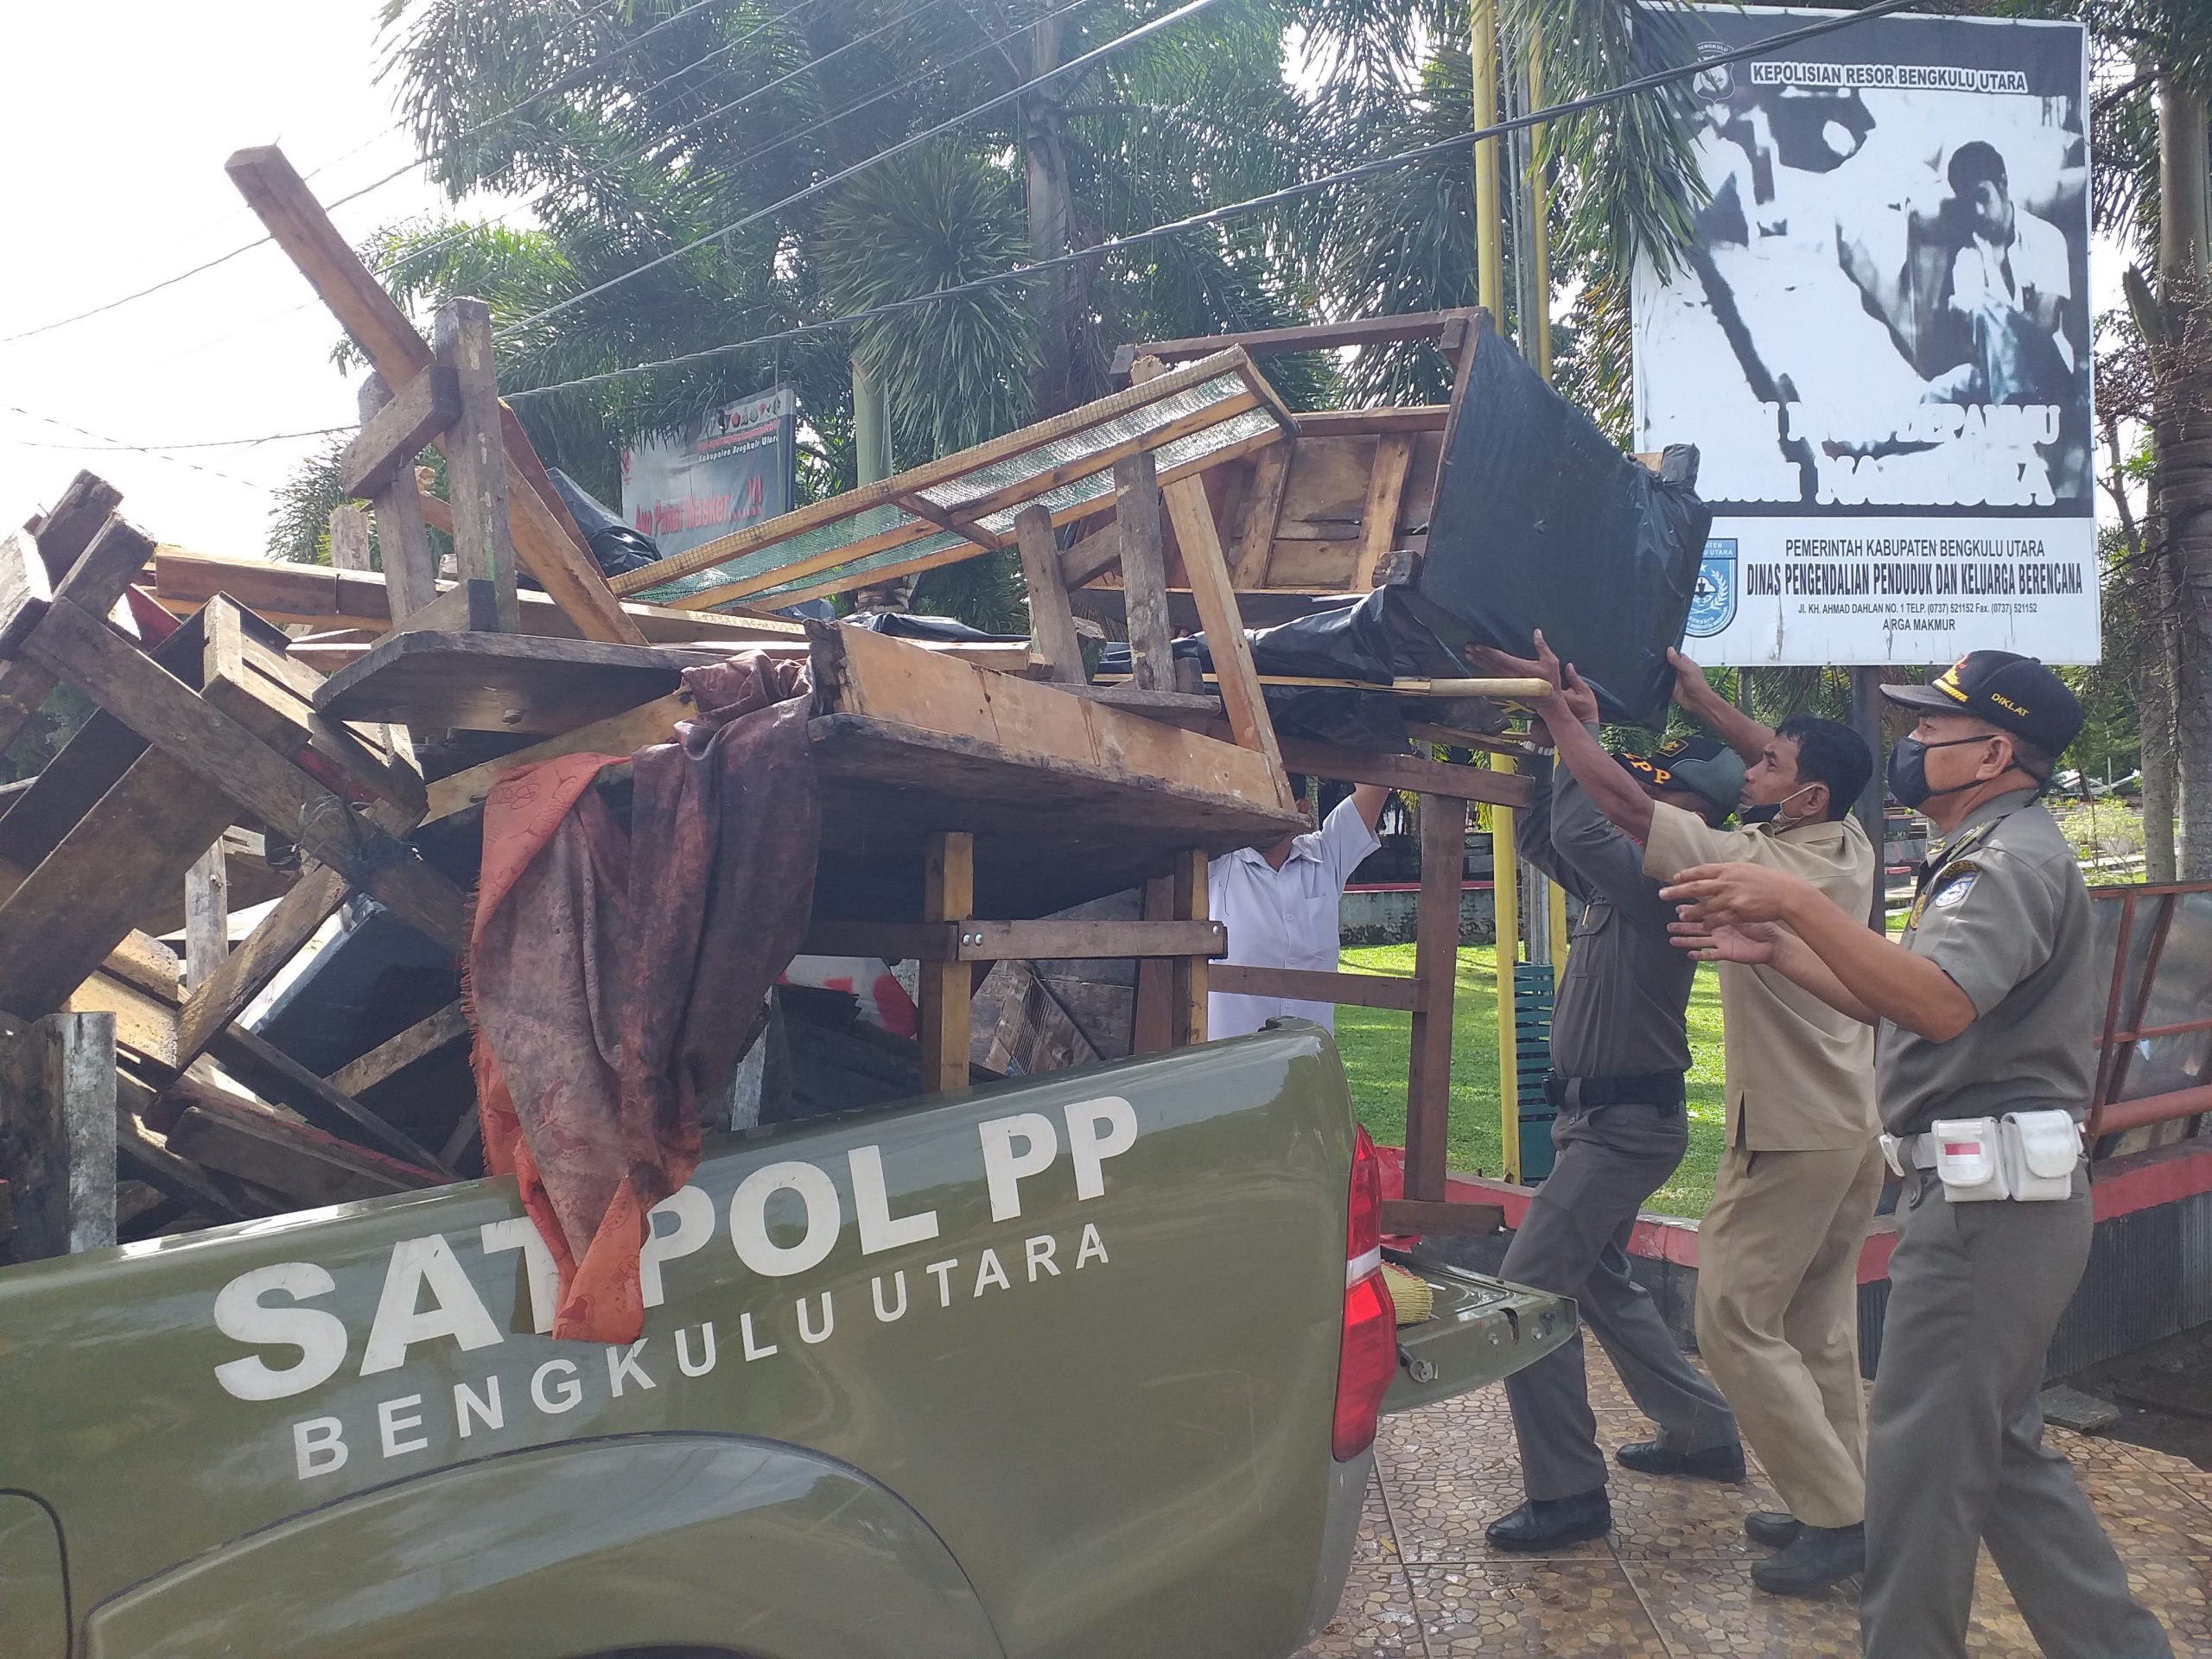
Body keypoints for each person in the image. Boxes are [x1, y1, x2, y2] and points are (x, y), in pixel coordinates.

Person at [1662, 651, 2175, 1659]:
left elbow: (1936, 1005)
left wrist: (1796, 903)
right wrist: (1786, 952)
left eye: (1932, 732)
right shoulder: (1989, 847)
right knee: (2003, 1457)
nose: (1909, 745)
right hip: (1996, 1200)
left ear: (1994, 751)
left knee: (1916, 1473)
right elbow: (1907, 998)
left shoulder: (2006, 861)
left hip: (1987, 1213)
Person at [1475, 635, 1882, 1598]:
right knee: (1811, 1330)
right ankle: (1805, 1480)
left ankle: (1824, 1515)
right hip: (1836, 1123)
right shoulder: (1841, 844)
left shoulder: (1716, 870)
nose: (1751, 772)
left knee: (1718, 1319)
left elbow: (1605, 816)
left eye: (1766, 768)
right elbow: (1798, 770)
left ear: (1800, 798)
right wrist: (1695, 703)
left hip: (1770, 1128)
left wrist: (1566, 718)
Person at [1482, 669, 1749, 1552]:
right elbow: (1545, 835)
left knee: (1523, 1293)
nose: (1631, 807)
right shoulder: (1623, 886)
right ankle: (1703, 1432)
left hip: (1622, 1130)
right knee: (1601, 1280)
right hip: (1600, 1123)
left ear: (1688, 819)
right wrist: (1535, 740)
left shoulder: (1671, 879)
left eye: (1649, 797)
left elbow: (1573, 823)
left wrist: (1572, 724)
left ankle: (1567, 1496)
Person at [1206, 777, 1390, 1039]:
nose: (1260, 810)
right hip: (1233, 1063)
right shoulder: (1219, 862)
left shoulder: (1325, 857)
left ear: (1301, 807)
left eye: (1271, 798)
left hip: (1308, 1064)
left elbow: (1377, 781)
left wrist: (1313, 745)